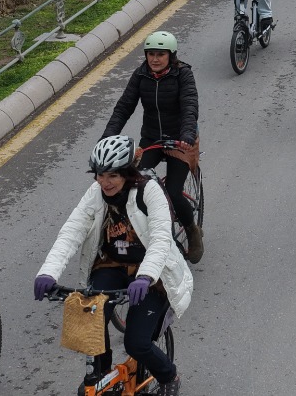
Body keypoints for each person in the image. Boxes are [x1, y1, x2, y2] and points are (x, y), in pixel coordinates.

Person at [34, 136, 191, 396]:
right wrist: (48, 271)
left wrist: (146, 276)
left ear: (127, 174)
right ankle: (104, 376)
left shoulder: (148, 191)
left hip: (152, 274)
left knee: (137, 343)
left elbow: (162, 239)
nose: (104, 182)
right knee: (89, 326)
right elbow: (71, 232)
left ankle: (168, 375)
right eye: (99, 175)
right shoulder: (95, 193)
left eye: (112, 176)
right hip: (111, 265)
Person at [101, 31, 203, 261]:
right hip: (152, 139)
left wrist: (187, 134)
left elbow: (190, 107)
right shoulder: (141, 75)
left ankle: (193, 231)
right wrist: (108, 136)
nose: (155, 59)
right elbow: (124, 107)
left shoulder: (183, 75)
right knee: (133, 185)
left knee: (174, 193)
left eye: (160, 54)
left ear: (171, 56)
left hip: (180, 140)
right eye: (151, 54)